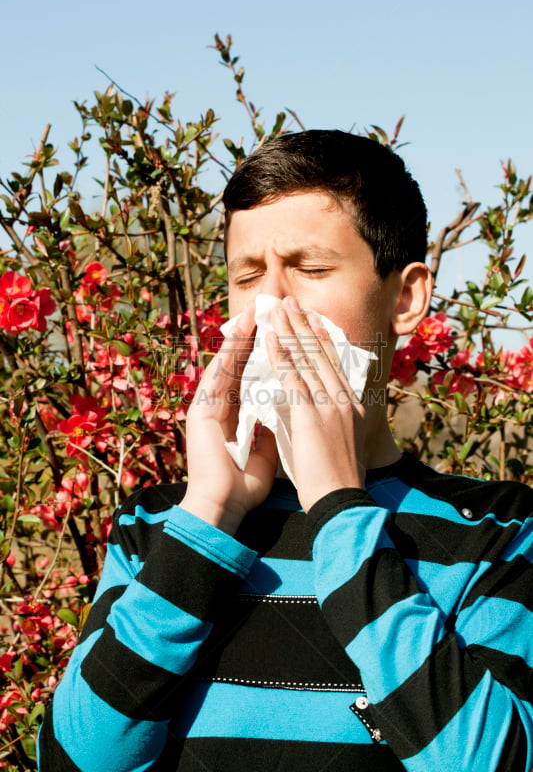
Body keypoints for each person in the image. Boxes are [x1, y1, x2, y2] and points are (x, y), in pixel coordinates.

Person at [38, 131, 533, 772]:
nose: (270, 303)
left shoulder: (495, 532)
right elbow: (77, 760)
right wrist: (210, 512)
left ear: (404, 299)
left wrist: (337, 506)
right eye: (248, 276)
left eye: (311, 268)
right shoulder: (156, 528)